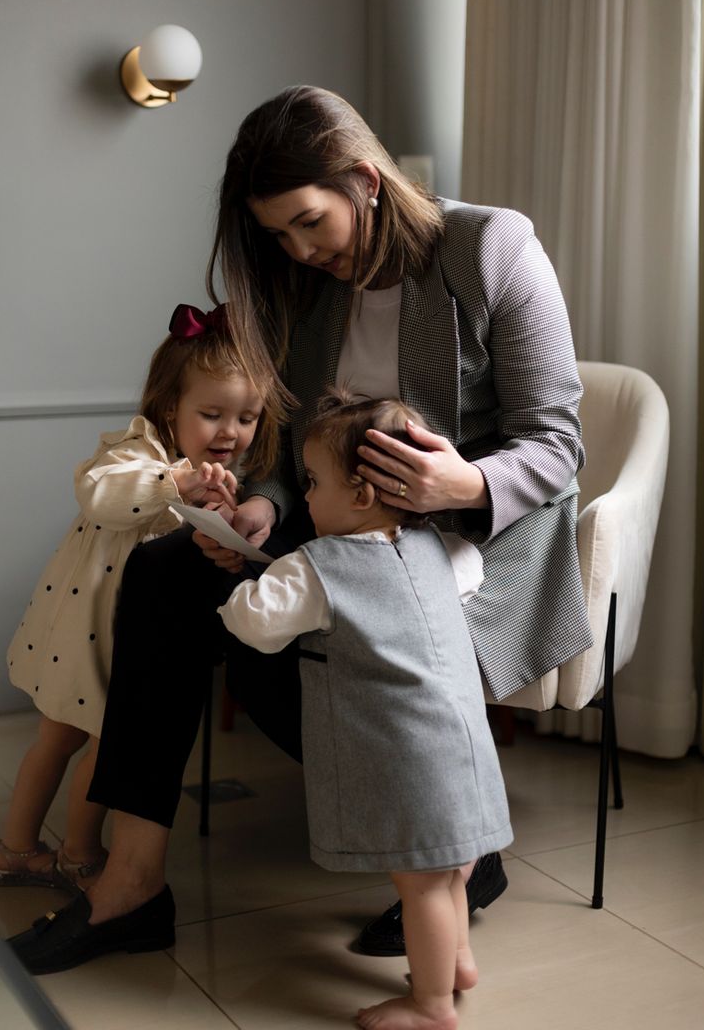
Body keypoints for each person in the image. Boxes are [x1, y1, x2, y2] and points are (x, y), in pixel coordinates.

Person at [9, 85, 591, 976]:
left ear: (364, 179)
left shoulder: (489, 246)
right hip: (346, 528)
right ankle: (129, 885)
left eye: (307, 222)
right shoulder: (312, 289)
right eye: (277, 235)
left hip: (476, 537)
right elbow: (296, 447)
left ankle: (453, 847)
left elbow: (557, 441)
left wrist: (463, 480)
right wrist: (265, 506)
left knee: (307, 623)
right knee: (171, 574)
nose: (298, 249)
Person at [221, 391, 513, 1030]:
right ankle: (457, 963)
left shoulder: (315, 569)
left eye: (314, 482)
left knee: (422, 887)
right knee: (450, 870)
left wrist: (239, 581)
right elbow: (474, 574)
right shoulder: (443, 549)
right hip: (463, 742)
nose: (308, 496)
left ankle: (431, 1007)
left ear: (359, 495)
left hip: (403, 759)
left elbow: (256, 626)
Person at [0, 302, 287, 895]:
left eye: (248, 417)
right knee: (70, 741)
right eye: (211, 414)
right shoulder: (136, 453)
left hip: (133, 635)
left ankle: (30, 850)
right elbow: (100, 496)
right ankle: (53, 854)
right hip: (89, 628)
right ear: (167, 406)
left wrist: (224, 529)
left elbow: (200, 547)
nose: (231, 432)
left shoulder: (220, 473)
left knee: (99, 743)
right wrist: (174, 481)